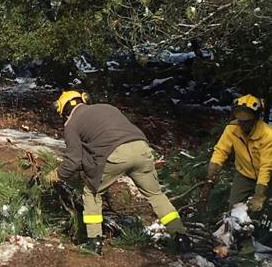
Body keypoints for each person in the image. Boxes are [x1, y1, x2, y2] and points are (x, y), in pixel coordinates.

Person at [49, 90, 191, 255]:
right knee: (156, 195)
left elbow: (73, 161)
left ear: (63, 112)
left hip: (115, 155)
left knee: (91, 193)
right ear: (84, 99)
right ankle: (181, 237)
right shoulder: (107, 107)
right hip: (142, 149)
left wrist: (55, 176)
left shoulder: (71, 123)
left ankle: (94, 241)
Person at [202, 94, 272, 215]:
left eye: (247, 121)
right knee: (234, 207)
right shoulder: (232, 129)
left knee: (264, 209)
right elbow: (221, 150)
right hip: (244, 174)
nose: (243, 124)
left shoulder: (267, 135)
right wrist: (213, 170)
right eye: (240, 120)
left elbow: (266, 167)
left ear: (255, 119)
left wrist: (259, 195)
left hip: (267, 177)